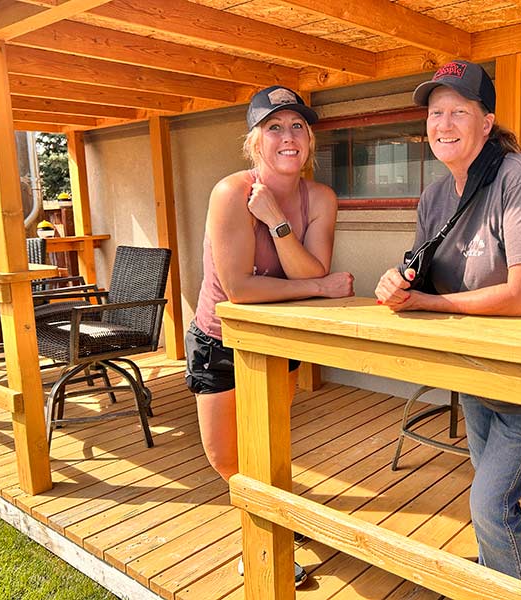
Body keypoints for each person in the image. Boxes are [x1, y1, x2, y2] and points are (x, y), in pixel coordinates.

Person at [375, 61, 521, 586]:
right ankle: (495, 582)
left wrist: (426, 305)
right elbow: (422, 276)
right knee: (487, 496)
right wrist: (396, 284)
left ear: (486, 122)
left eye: (458, 111)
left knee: (490, 505)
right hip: (475, 372)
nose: (443, 123)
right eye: (435, 112)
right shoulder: (436, 195)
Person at [185, 85, 354, 586]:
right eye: (274, 127)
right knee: (226, 456)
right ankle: (266, 523)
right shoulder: (229, 192)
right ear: (254, 142)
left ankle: (261, 541)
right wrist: (316, 286)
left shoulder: (320, 197)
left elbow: (313, 266)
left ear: (309, 140)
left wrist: (277, 221)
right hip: (219, 340)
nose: (288, 136)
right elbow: (238, 289)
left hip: (278, 343)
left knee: (267, 447)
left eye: (297, 126)